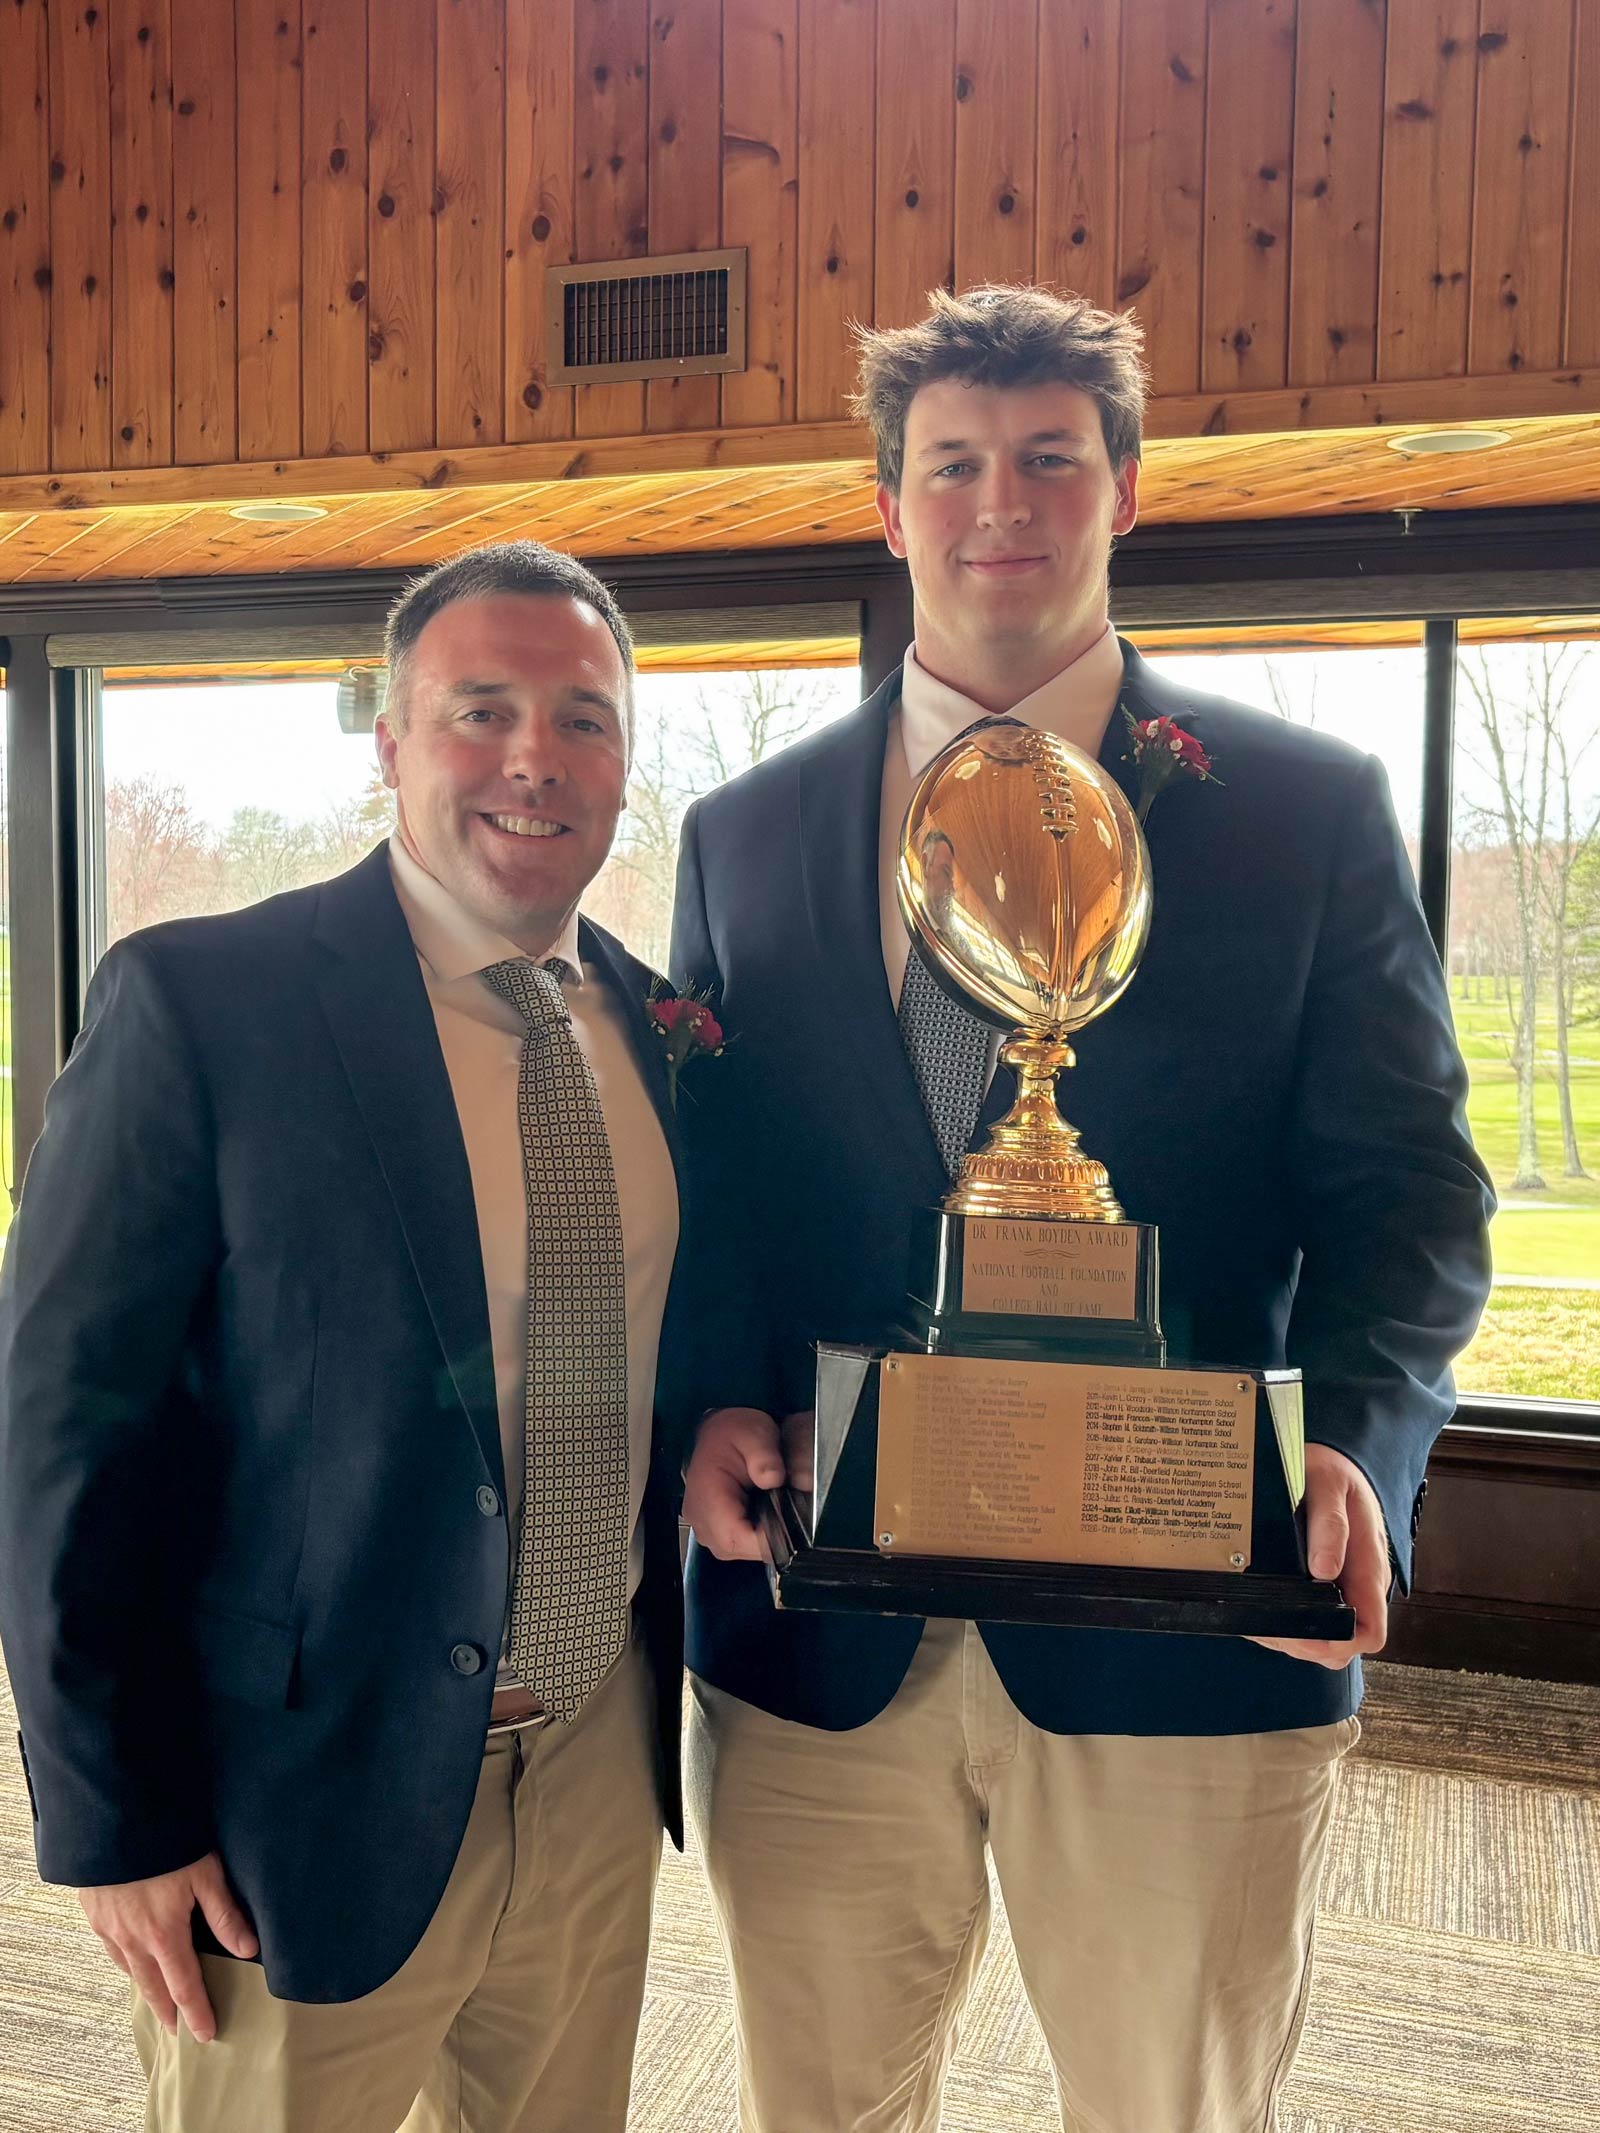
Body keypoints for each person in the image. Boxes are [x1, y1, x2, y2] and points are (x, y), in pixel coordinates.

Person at [673, 285, 1495, 2133]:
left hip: (1190, 1622)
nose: (1001, 503)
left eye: (1052, 458)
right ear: (889, 508)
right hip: (823, 1629)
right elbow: (711, 1189)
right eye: (952, 464)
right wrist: (708, 1404)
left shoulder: (1307, 810)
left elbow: (1412, 1200)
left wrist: (1361, 1446)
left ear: (1126, 489)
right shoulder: (744, 831)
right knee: (820, 2106)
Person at [0, 541, 691, 2133]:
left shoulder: (656, 1029)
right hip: (288, 1795)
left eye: (584, 717)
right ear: (391, 743)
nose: (535, 756)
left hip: (592, 1759)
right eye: (482, 709)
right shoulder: (202, 1003)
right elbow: (60, 1429)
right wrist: (109, 1815)